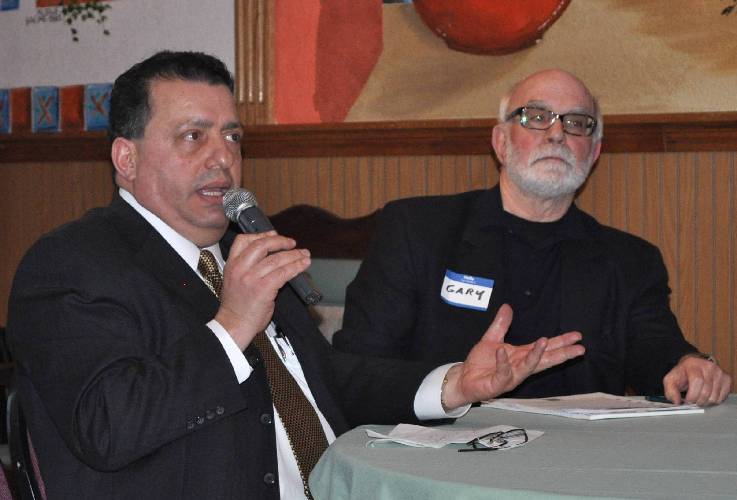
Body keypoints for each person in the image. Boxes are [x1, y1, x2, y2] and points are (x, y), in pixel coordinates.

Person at [6, 52, 585, 500]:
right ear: (126, 159)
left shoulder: (239, 251)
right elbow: (107, 427)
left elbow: (322, 379)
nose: (222, 157)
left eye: (232, 136)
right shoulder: (71, 264)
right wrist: (232, 326)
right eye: (193, 136)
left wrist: (454, 384)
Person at [333, 69, 732, 407]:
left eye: (577, 123)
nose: (557, 134)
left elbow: (656, 350)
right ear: (500, 143)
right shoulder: (416, 231)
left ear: (593, 153)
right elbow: (354, 371)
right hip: (443, 457)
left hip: (579, 464)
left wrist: (687, 364)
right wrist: (454, 385)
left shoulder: (631, 260)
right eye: (536, 116)